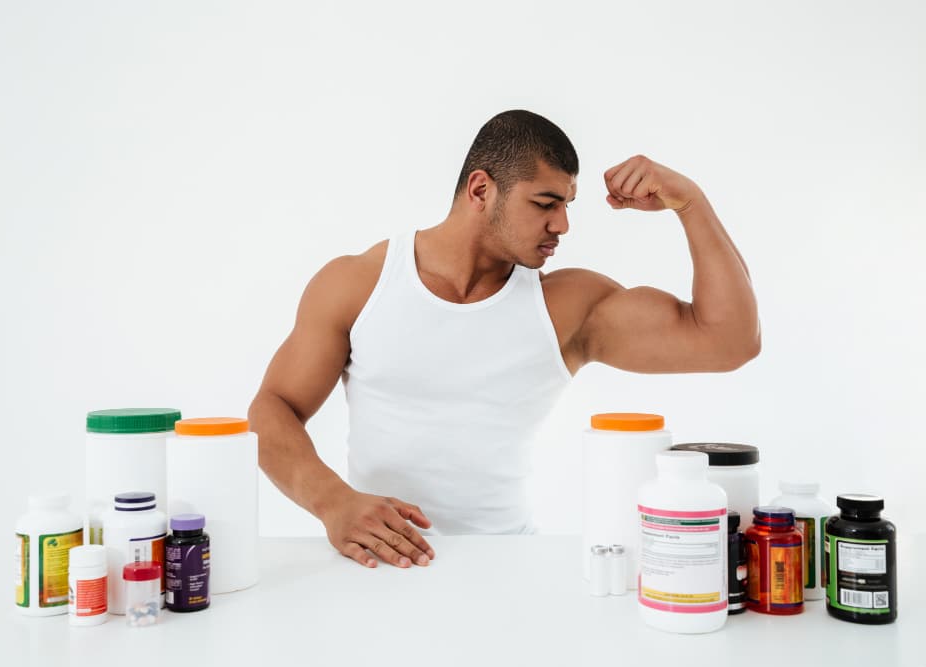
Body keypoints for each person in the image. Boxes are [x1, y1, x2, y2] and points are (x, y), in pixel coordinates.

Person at [247, 110, 760, 570]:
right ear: (480, 190)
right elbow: (273, 408)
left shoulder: (567, 308)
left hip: (509, 564)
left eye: (567, 205)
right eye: (545, 203)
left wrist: (690, 203)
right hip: (379, 562)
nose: (562, 224)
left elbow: (730, 341)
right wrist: (333, 501)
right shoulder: (358, 283)